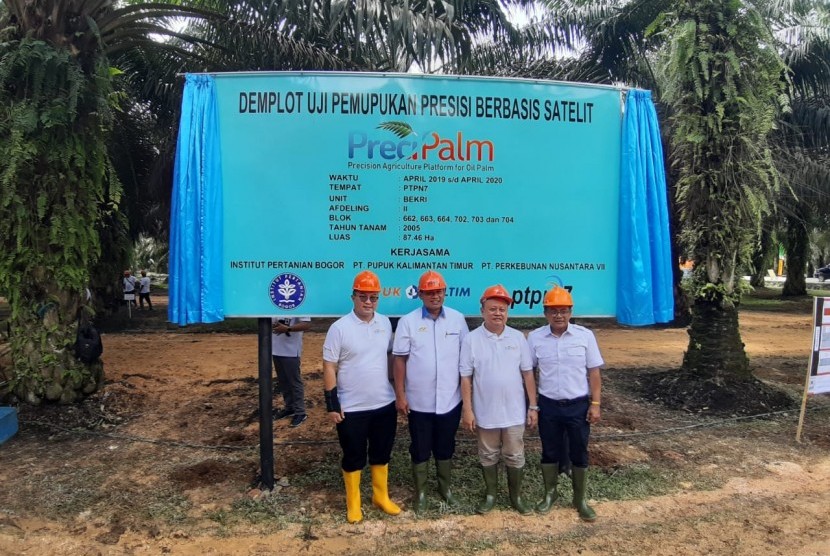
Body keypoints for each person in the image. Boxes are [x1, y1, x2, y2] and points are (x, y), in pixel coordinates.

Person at [322, 270, 401, 523]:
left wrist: (396, 389)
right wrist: (332, 403)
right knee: (354, 455)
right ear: (353, 297)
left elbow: (389, 357)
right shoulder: (339, 328)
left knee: (382, 453)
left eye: (373, 298)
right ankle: (354, 503)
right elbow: (329, 366)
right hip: (351, 408)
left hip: (383, 403)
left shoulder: (385, 323)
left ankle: (380, 497)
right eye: (363, 297)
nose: (368, 302)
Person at [392, 270, 469, 513]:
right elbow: (400, 360)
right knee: (420, 446)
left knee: (446, 445)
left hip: (450, 399)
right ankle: (421, 492)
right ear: (421, 294)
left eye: (439, 291)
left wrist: (468, 400)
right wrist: (401, 395)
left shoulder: (457, 319)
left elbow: (466, 360)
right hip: (419, 401)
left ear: (445, 293)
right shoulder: (408, 322)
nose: (435, 296)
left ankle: (444, 488)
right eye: (429, 292)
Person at [527, 286, 603, 521]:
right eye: (553, 311)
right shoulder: (535, 337)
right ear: (545, 313)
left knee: (579, 451)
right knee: (549, 451)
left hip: (578, 406)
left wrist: (596, 403)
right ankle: (550, 494)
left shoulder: (585, 336)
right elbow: (528, 371)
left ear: (571, 312)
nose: (558, 315)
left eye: (563, 310)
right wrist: (533, 406)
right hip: (548, 405)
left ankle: (579, 499)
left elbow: (594, 372)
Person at [460, 284, 538, 515]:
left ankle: (517, 496)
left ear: (507, 312)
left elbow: (527, 374)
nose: (497, 313)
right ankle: (491, 494)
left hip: (514, 412)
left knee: (515, 454)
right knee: (488, 454)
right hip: (485, 412)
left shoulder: (518, 338)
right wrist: (468, 410)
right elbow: (466, 377)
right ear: (482, 310)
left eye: (502, 309)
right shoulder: (471, 340)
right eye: (492, 308)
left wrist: (533, 405)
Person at [271, 316, 311, 427]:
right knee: (283, 382)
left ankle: (300, 412)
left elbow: (306, 324)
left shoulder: (299, 303)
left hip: (291, 351)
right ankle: (290, 408)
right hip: (275, 349)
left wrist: (288, 329)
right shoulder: (273, 304)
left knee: (294, 382)